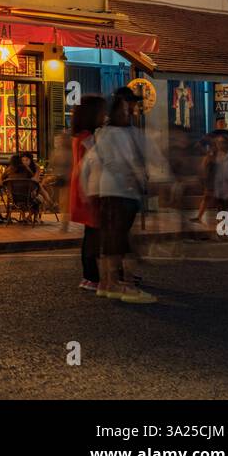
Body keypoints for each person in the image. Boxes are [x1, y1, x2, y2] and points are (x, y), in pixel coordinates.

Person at [80, 87, 159, 304]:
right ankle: (125, 285)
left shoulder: (111, 132)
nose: (133, 108)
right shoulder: (112, 133)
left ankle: (108, 283)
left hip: (113, 191)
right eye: (129, 103)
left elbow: (89, 163)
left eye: (133, 103)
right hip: (119, 191)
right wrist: (132, 178)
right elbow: (111, 161)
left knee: (113, 240)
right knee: (121, 242)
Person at [69, 95, 107, 291]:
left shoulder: (79, 137)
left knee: (91, 233)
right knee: (94, 233)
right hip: (90, 189)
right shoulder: (88, 139)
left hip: (82, 188)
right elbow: (98, 161)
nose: (104, 116)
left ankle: (90, 276)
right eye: (102, 112)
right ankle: (92, 275)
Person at [44, 129, 74, 231]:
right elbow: (52, 164)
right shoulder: (59, 152)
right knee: (62, 201)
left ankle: (64, 223)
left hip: (67, 178)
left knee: (64, 201)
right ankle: (51, 203)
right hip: (60, 178)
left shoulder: (69, 152)